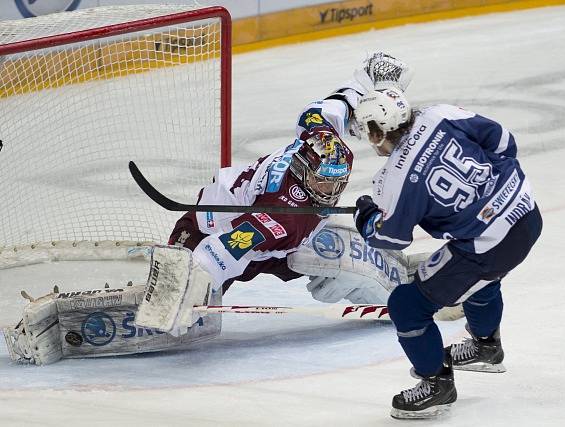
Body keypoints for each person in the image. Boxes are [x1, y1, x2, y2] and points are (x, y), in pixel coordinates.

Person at [5, 52, 438, 365]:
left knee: (330, 254)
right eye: (323, 182)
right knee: (180, 323)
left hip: (262, 229)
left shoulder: (313, 135)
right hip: (208, 230)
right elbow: (227, 247)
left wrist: (375, 86)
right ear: (307, 166)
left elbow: (333, 106)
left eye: (335, 183)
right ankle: (68, 327)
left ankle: (409, 284)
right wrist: (189, 287)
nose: (329, 190)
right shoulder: (287, 216)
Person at [352, 86, 543, 419]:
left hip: (491, 244)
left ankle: (435, 384)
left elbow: (391, 240)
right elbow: (504, 142)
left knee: (407, 306)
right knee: (478, 276)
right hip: (527, 212)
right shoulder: (438, 114)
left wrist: (366, 217)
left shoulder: (392, 179)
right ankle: (486, 345)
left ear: (377, 131)